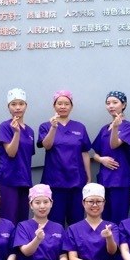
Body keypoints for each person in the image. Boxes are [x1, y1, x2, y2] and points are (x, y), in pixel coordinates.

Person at [38, 90, 91, 227]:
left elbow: (84, 153)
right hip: (54, 182)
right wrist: (53, 128)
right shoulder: (45, 126)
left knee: (77, 221)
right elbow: (47, 145)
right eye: (59, 103)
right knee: (55, 222)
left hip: (77, 181)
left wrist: (88, 178)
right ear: (54, 106)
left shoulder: (80, 127)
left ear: (71, 106)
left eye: (66, 104)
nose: (63, 106)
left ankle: (74, 243)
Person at [91, 91, 130, 224]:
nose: (111, 106)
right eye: (108, 103)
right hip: (104, 180)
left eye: (115, 102)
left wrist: (115, 127)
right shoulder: (104, 129)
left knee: (118, 218)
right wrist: (101, 160)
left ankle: (119, 239)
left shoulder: (128, 127)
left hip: (120, 180)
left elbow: (114, 144)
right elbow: (94, 154)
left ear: (124, 105)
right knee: (104, 219)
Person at [0, 88, 35, 224]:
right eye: (13, 104)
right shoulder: (5, 127)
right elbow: (11, 152)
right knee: (8, 220)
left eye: (21, 104)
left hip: (24, 180)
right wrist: (17, 133)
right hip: (8, 179)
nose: (17, 107)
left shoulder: (30, 131)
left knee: (22, 220)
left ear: (26, 106)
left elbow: (27, 157)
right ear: (8, 107)